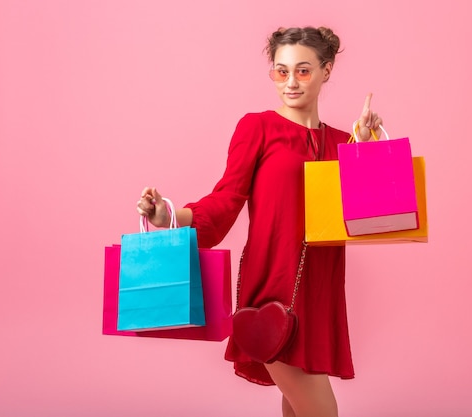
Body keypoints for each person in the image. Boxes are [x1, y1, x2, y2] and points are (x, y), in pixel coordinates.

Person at [136, 26, 383, 417]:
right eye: (281, 71)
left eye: (302, 71)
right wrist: (169, 215)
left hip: (319, 292)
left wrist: (367, 151)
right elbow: (226, 199)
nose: (290, 82)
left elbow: (362, 215)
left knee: (298, 408)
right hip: (271, 291)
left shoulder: (342, 142)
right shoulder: (258, 127)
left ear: (327, 69)